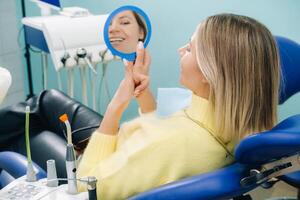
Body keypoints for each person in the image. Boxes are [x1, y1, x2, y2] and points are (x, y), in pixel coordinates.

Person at [78, 13, 280, 199]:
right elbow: (164, 129)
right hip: (130, 151)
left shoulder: (168, 144)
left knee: (47, 105)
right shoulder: (233, 124)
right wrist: (141, 91)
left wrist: (116, 105)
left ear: (210, 73)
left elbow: (86, 186)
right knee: (48, 103)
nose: (181, 50)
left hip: (97, 168)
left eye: (190, 48)